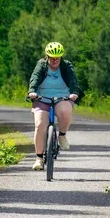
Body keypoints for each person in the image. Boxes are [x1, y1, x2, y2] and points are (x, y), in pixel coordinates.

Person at [27, 41, 82, 170]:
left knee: (65, 112)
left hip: (62, 97)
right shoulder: (41, 65)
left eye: (57, 58)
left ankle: (62, 135)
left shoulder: (66, 66)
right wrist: (32, 91)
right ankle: (39, 158)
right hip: (42, 97)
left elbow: (73, 80)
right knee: (40, 124)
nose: (55, 60)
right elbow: (35, 77)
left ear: (61, 57)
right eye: (52, 58)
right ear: (47, 56)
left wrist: (74, 93)